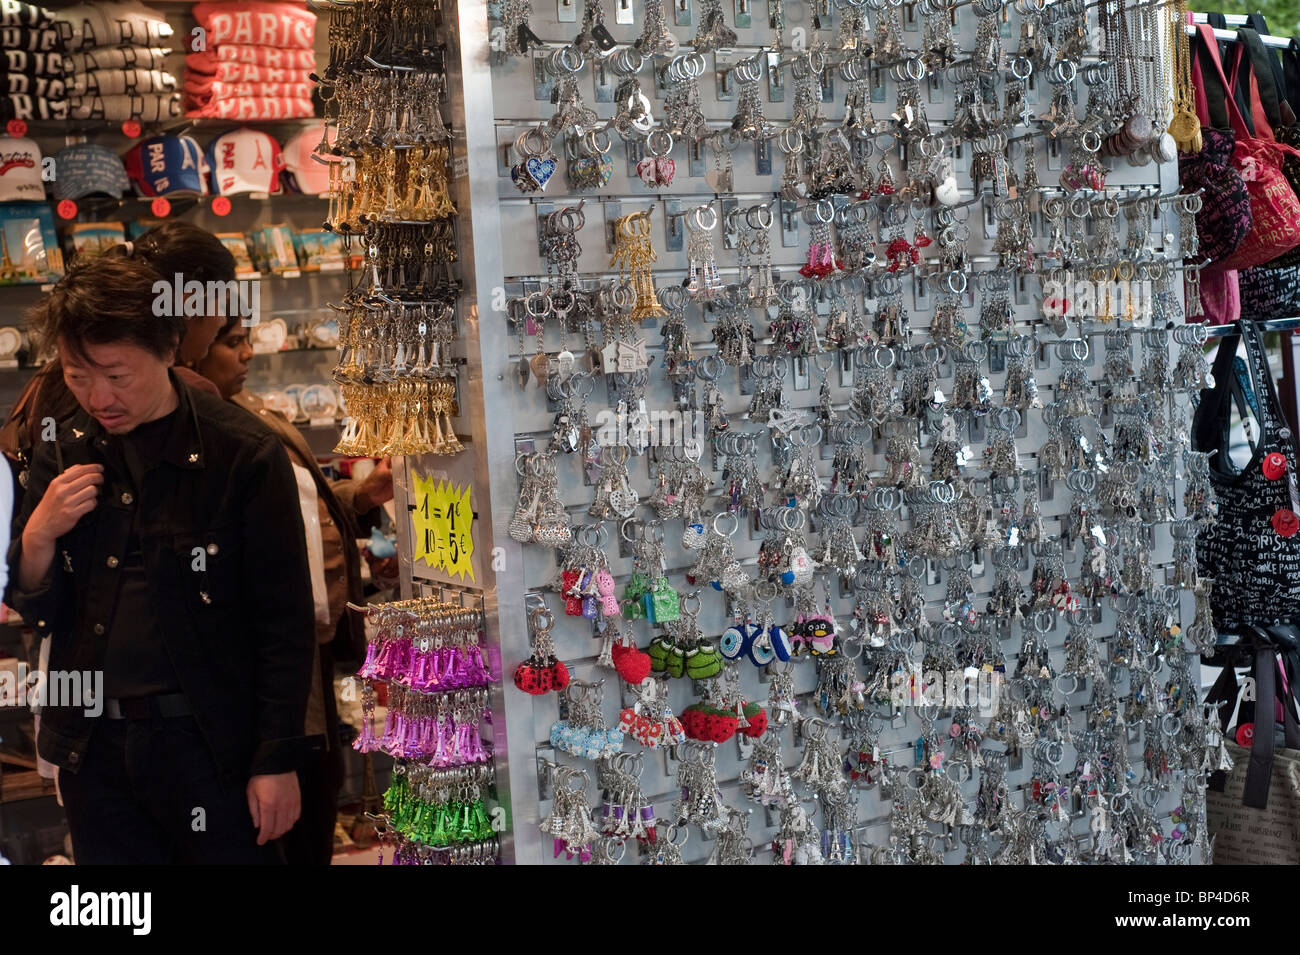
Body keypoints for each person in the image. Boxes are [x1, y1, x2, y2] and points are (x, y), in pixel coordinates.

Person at [5, 252, 317, 864]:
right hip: (95, 745)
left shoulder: (242, 452)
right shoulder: (62, 444)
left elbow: (284, 621)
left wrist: (276, 759)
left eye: (117, 375)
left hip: (209, 745)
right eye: (76, 374)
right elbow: (41, 610)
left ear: (170, 347)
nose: (97, 396)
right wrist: (38, 536)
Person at [193, 314, 394, 864]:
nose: (248, 354)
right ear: (191, 348)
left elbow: (306, 507)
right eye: (233, 343)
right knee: (291, 800)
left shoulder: (254, 414)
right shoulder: (209, 429)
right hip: (269, 654)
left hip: (309, 647)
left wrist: (364, 495)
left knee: (318, 786)